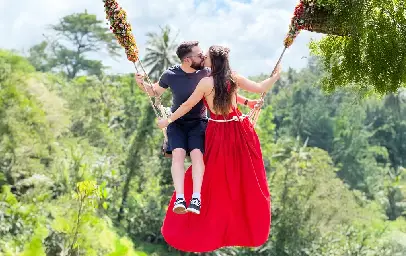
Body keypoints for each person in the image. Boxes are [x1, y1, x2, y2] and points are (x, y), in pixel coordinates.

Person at [157, 45, 281, 253]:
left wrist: (168, 119)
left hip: (219, 131)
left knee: (213, 176)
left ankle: (196, 206)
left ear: (212, 62)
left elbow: (187, 105)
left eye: (206, 56)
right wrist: (276, 76)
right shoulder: (232, 77)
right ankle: (237, 222)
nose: (202, 57)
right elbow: (260, 87)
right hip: (240, 129)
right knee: (244, 176)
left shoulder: (206, 82)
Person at [135, 41, 262, 215]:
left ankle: (196, 198)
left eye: (203, 54)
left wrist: (248, 102)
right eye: (199, 54)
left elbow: (225, 91)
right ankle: (180, 198)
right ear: (187, 60)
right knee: (178, 154)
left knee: (197, 155)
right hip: (176, 122)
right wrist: (141, 83)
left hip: (199, 122)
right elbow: (154, 91)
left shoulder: (207, 72)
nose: (203, 57)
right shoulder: (170, 74)